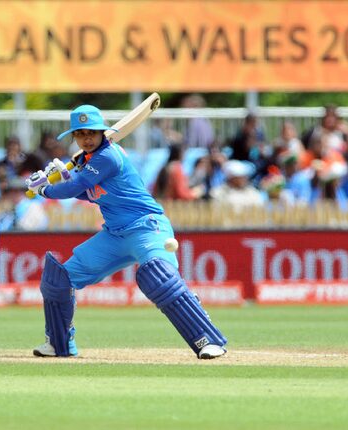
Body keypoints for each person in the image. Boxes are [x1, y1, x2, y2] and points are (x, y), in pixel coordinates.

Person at [25, 104, 227, 359]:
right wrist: (64, 178)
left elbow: (76, 186)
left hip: (147, 227)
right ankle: (59, 342)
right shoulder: (87, 164)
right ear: (74, 137)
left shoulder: (108, 157)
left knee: (159, 278)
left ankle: (208, 339)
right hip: (115, 235)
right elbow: (82, 189)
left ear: (102, 133)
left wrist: (45, 189)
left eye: (91, 133)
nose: (86, 139)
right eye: (80, 134)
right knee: (59, 280)